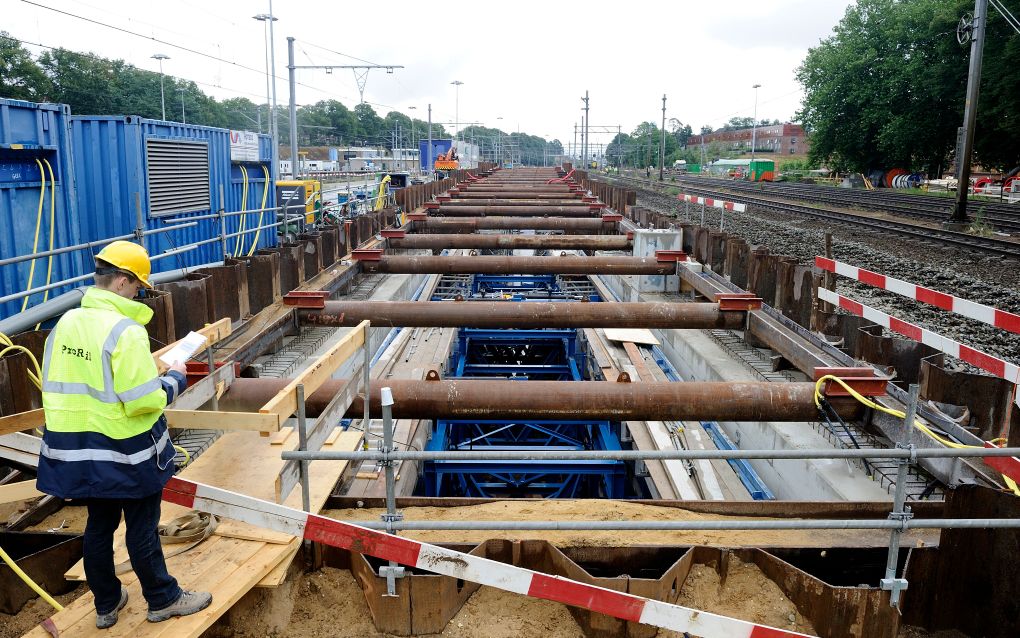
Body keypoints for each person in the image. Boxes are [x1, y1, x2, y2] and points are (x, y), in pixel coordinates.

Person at [37, 241, 212, 628]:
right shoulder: (125, 331)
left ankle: (107, 603)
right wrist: (173, 381)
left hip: (76, 451)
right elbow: (140, 402)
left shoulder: (64, 325)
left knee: (99, 527)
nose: (139, 293)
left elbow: (61, 385)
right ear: (120, 282)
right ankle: (163, 598)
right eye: (138, 287)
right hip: (125, 453)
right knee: (142, 530)